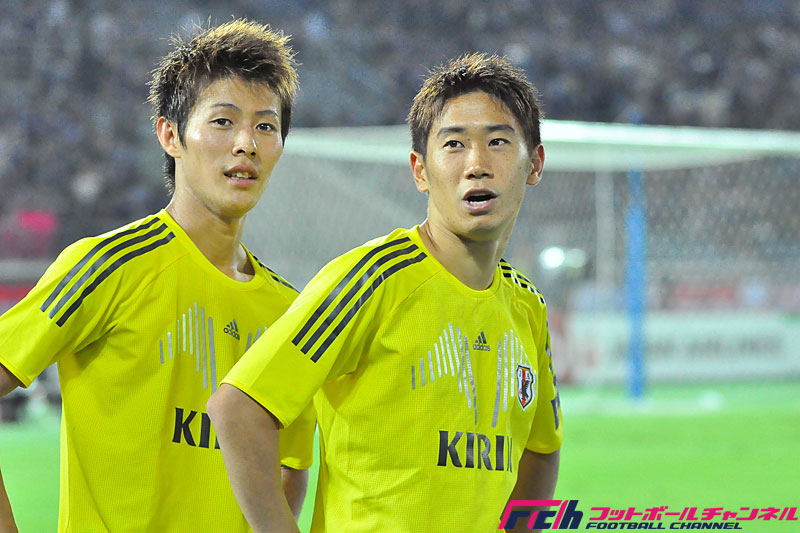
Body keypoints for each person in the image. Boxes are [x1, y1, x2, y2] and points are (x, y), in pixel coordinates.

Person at [208, 52, 563, 533]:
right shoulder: (371, 280)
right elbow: (238, 407)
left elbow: (542, 450)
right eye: (454, 144)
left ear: (535, 163)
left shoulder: (526, 306)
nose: (477, 165)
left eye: (498, 142)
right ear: (420, 171)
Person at [0, 19, 314, 532]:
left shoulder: (290, 310)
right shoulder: (108, 267)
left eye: (265, 126)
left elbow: (289, 466)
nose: (246, 144)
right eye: (223, 121)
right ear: (170, 135)